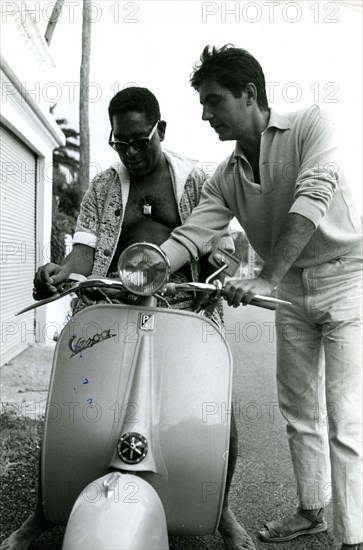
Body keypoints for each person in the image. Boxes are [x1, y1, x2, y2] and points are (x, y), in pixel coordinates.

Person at [0, 87, 255, 550]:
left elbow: (226, 252)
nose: (132, 152)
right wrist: (60, 272)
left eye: (141, 140)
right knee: (68, 409)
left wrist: (217, 280)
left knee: (218, 414)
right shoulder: (102, 186)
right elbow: (82, 254)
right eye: (121, 143)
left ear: (161, 130)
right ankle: (41, 511)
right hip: (110, 311)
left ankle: (221, 513)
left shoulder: (197, 183)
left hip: (184, 313)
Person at [147, 46, 361, 550]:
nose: (205, 114)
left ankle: (351, 539)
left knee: (345, 415)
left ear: (250, 94)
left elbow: (313, 193)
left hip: (347, 277)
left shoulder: (312, 124)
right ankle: (312, 511)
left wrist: (266, 276)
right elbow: (193, 234)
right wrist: (144, 270)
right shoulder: (226, 175)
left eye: (214, 100)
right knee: (299, 409)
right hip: (290, 290)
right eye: (202, 103)